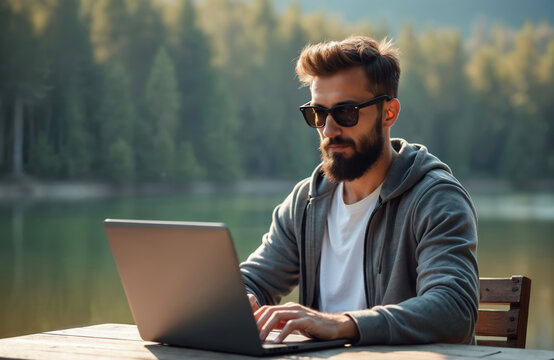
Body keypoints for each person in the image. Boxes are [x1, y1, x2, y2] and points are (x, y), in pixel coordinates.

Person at [240, 35, 479, 346]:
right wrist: (239, 299)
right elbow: (253, 280)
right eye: (318, 113)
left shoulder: (435, 198)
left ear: (389, 113)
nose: (328, 129)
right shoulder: (306, 203)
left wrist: (342, 324)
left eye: (346, 112)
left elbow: (455, 309)